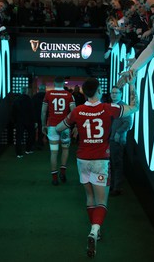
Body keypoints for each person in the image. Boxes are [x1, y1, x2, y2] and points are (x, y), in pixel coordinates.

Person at [56, 78, 139, 258]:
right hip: (101, 161)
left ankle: (96, 229)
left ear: (85, 93)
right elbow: (135, 107)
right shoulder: (109, 108)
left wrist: (70, 130)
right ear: (100, 91)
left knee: (90, 197)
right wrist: (132, 85)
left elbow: (59, 127)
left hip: (82, 160)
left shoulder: (78, 111)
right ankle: (94, 231)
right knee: (102, 201)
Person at [41, 76, 75, 185]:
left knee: (54, 152)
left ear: (54, 84)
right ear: (63, 84)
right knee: (65, 150)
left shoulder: (48, 94)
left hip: (52, 126)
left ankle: (54, 178)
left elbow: (43, 112)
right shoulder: (69, 95)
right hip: (64, 126)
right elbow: (74, 112)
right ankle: (63, 173)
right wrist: (73, 125)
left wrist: (43, 125)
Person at [109, 86, 132, 196]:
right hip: (109, 139)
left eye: (116, 93)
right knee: (111, 164)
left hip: (117, 140)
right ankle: (112, 185)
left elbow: (128, 123)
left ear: (121, 94)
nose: (114, 94)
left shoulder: (124, 107)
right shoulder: (110, 106)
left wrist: (118, 132)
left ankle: (117, 188)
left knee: (117, 164)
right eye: (112, 93)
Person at [12, 86, 36, 158]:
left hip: (19, 121)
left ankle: (19, 153)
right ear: (27, 91)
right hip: (29, 121)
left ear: (20, 91)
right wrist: (34, 121)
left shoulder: (16, 100)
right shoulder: (30, 100)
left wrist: (15, 121)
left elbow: (13, 112)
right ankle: (28, 150)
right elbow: (32, 111)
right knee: (30, 135)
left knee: (19, 137)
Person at [32, 83, 46, 149]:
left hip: (35, 116)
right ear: (45, 89)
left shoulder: (34, 97)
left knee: (34, 130)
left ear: (39, 89)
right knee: (42, 129)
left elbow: (32, 107)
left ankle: (34, 143)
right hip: (44, 116)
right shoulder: (46, 96)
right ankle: (40, 142)